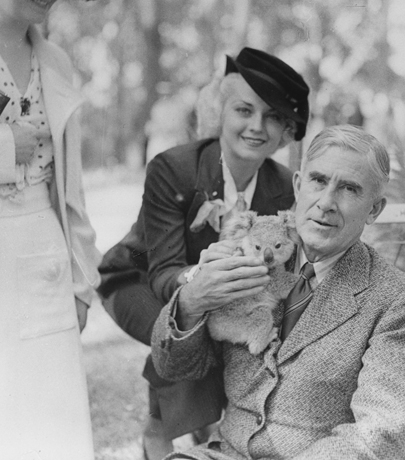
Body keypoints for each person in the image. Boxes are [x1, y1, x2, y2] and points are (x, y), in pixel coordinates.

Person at [151, 124, 405, 460]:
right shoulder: (246, 254)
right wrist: (192, 301)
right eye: (318, 181)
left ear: (373, 209)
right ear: (298, 185)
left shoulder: (396, 300)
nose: (326, 202)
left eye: (350, 189)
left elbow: (382, 432)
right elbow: (172, 367)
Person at [97, 47, 310, 459]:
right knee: (189, 320)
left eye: (272, 117)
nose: (256, 127)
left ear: (285, 130)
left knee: (243, 323)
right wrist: (204, 280)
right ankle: (158, 433)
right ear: (220, 113)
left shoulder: (285, 185)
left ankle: (214, 429)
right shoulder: (173, 168)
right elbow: (163, 274)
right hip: (137, 280)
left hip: (226, 289)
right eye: (244, 111)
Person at [0, 1, 101, 459]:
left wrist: (83, 280)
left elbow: (71, 183)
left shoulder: (55, 60)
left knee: (50, 413)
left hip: (42, 244)